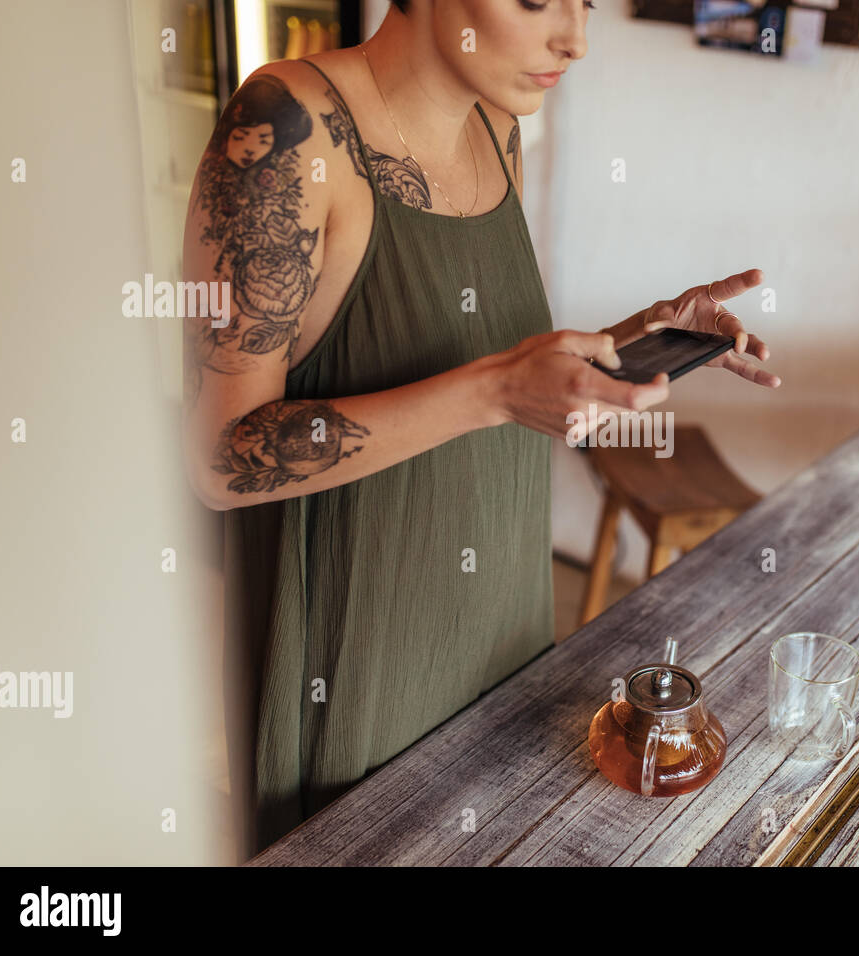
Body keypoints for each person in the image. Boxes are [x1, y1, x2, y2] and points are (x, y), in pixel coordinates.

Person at [179, 0, 780, 859]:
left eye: (587, 3)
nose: (575, 39)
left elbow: (472, 359)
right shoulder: (287, 130)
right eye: (538, 1)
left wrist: (649, 335)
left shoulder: (496, 125)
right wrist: (498, 392)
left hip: (496, 596)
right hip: (364, 635)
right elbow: (217, 459)